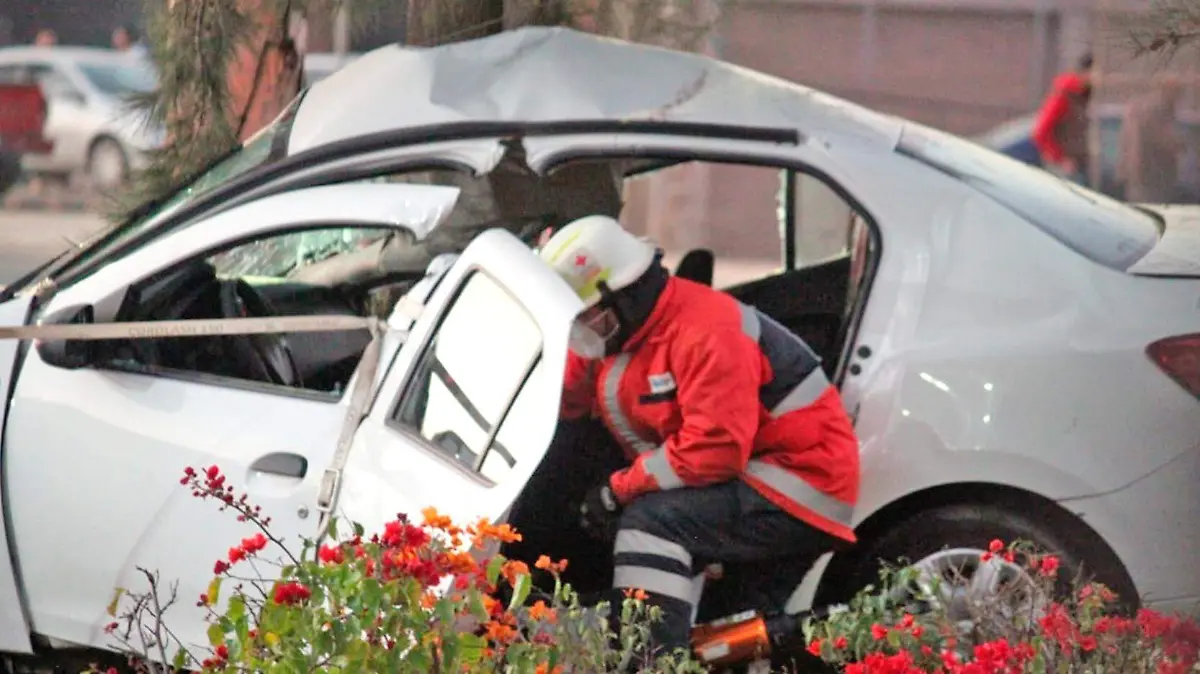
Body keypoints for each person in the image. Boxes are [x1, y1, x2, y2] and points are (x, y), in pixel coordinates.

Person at [537, 215, 861, 655]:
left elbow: (715, 451)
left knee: (649, 526)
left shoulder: (706, 332)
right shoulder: (626, 330)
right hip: (749, 473)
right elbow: (571, 393)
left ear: (622, 295)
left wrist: (618, 491)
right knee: (723, 630)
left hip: (796, 484)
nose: (581, 330)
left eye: (585, 317)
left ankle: (646, 661)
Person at [1118, 75, 1184, 203]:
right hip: (1150, 174)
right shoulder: (1156, 109)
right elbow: (1161, 138)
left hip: (1140, 173)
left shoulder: (1141, 106)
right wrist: (1179, 144)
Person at [1033, 52, 1094, 184]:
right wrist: (1060, 159)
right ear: (1087, 72)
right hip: (1065, 168)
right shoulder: (1066, 94)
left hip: (1080, 164)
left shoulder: (1086, 97)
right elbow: (1041, 131)